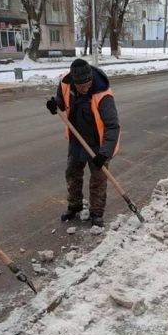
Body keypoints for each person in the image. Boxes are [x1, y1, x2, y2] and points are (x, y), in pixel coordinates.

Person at [46, 58, 120, 228]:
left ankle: (96, 213)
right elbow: (61, 102)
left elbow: (113, 126)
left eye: (88, 85)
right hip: (76, 140)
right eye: (81, 87)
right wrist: (54, 105)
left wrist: (104, 153)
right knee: (72, 174)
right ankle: (74, 206)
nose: (85, 89)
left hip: (98, 145)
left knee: (98, 180)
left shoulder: (103, 95)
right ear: (74, 82)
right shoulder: (66, 83)